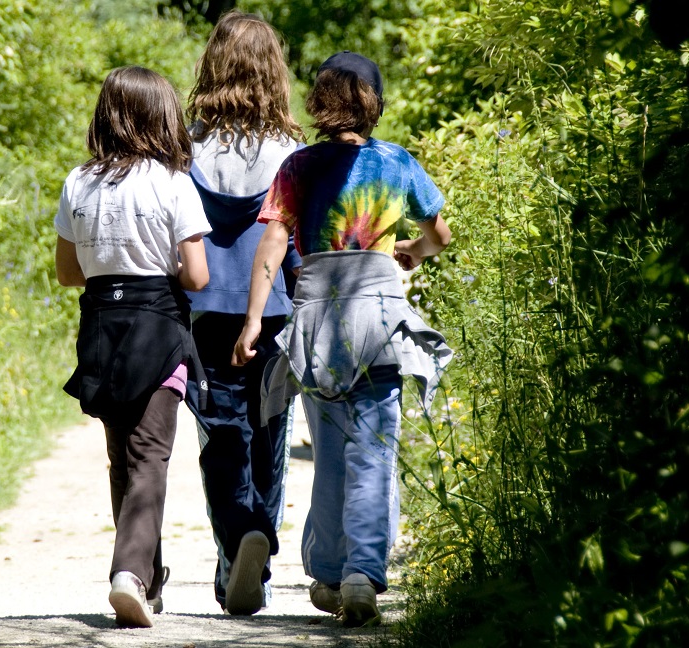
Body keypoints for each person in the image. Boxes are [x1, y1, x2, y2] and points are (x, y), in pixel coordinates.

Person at [233, 52, 454, 627]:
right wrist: (410, 251)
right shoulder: (397, 163)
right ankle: (360, 575)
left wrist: (255, 320)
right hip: (378, 314)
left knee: (330, 454)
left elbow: (274, 245)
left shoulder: (298, 167)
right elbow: (440, 236)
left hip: (319, 320)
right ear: (374, 102)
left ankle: (329, 572)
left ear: (320, 102)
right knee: (374, 451)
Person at [55, 66, 212, 629]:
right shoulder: (173, 183)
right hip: (158, 326)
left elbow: (67, 271)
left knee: (122, 455)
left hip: (102, 326)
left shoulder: (79, 181)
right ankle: (130, 573)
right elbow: (195, 276)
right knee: (152, 457)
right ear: (161, 117)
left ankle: (149, 579)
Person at [181, 10, 303, 616]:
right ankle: (262, 558)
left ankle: (236, 546)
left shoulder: (188, 147)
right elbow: (298, 241)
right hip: (275, 311)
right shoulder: (292, 153)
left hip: (205, 311)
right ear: (273, 72)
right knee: (270, 433)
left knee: (220, 434)